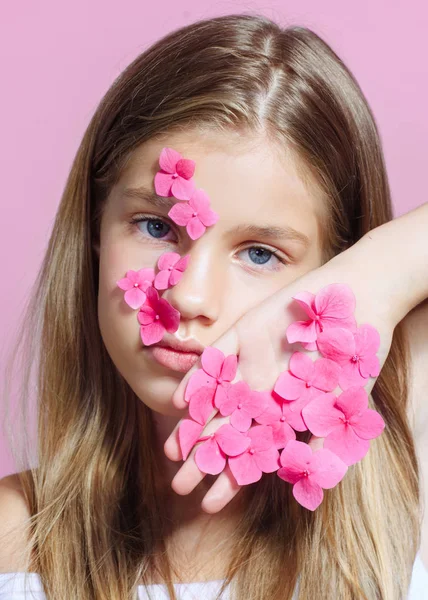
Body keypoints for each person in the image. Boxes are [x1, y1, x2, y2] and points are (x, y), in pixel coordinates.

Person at [0, 12, 427, 600]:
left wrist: (378, 275)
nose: (189, 298)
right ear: (96, 228)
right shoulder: (13, 537)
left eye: (259, 253)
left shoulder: (411, 481)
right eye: (154, 226)